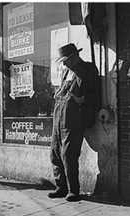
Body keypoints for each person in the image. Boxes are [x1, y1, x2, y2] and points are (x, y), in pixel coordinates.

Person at [48, 43, 98, 201]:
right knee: (55, 153)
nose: (63, 63)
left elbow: (96, 93)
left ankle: (73, 191)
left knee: (68, 155)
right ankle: (60, 187)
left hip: (74, 118)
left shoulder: (88, 69)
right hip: (59, 117)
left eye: (66, 60)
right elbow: (63, 92)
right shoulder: (66, 72)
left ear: (75, 56)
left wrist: (83, 100)